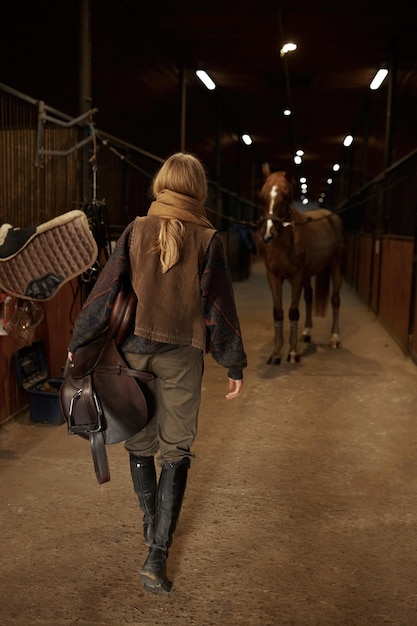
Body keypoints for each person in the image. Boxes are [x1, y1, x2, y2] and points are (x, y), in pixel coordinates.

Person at [67, 151, 247, 594]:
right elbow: (217, 308)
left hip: (131, 356)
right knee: (177, 448)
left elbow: (105, 292)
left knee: (141, 443)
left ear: (161, 185)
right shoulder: (208, 240)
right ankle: (157, 551)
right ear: (198, 190)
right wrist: (233, 361)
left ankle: (151, 524)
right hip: (182, 356)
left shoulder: (134, 230)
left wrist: (78, 344)